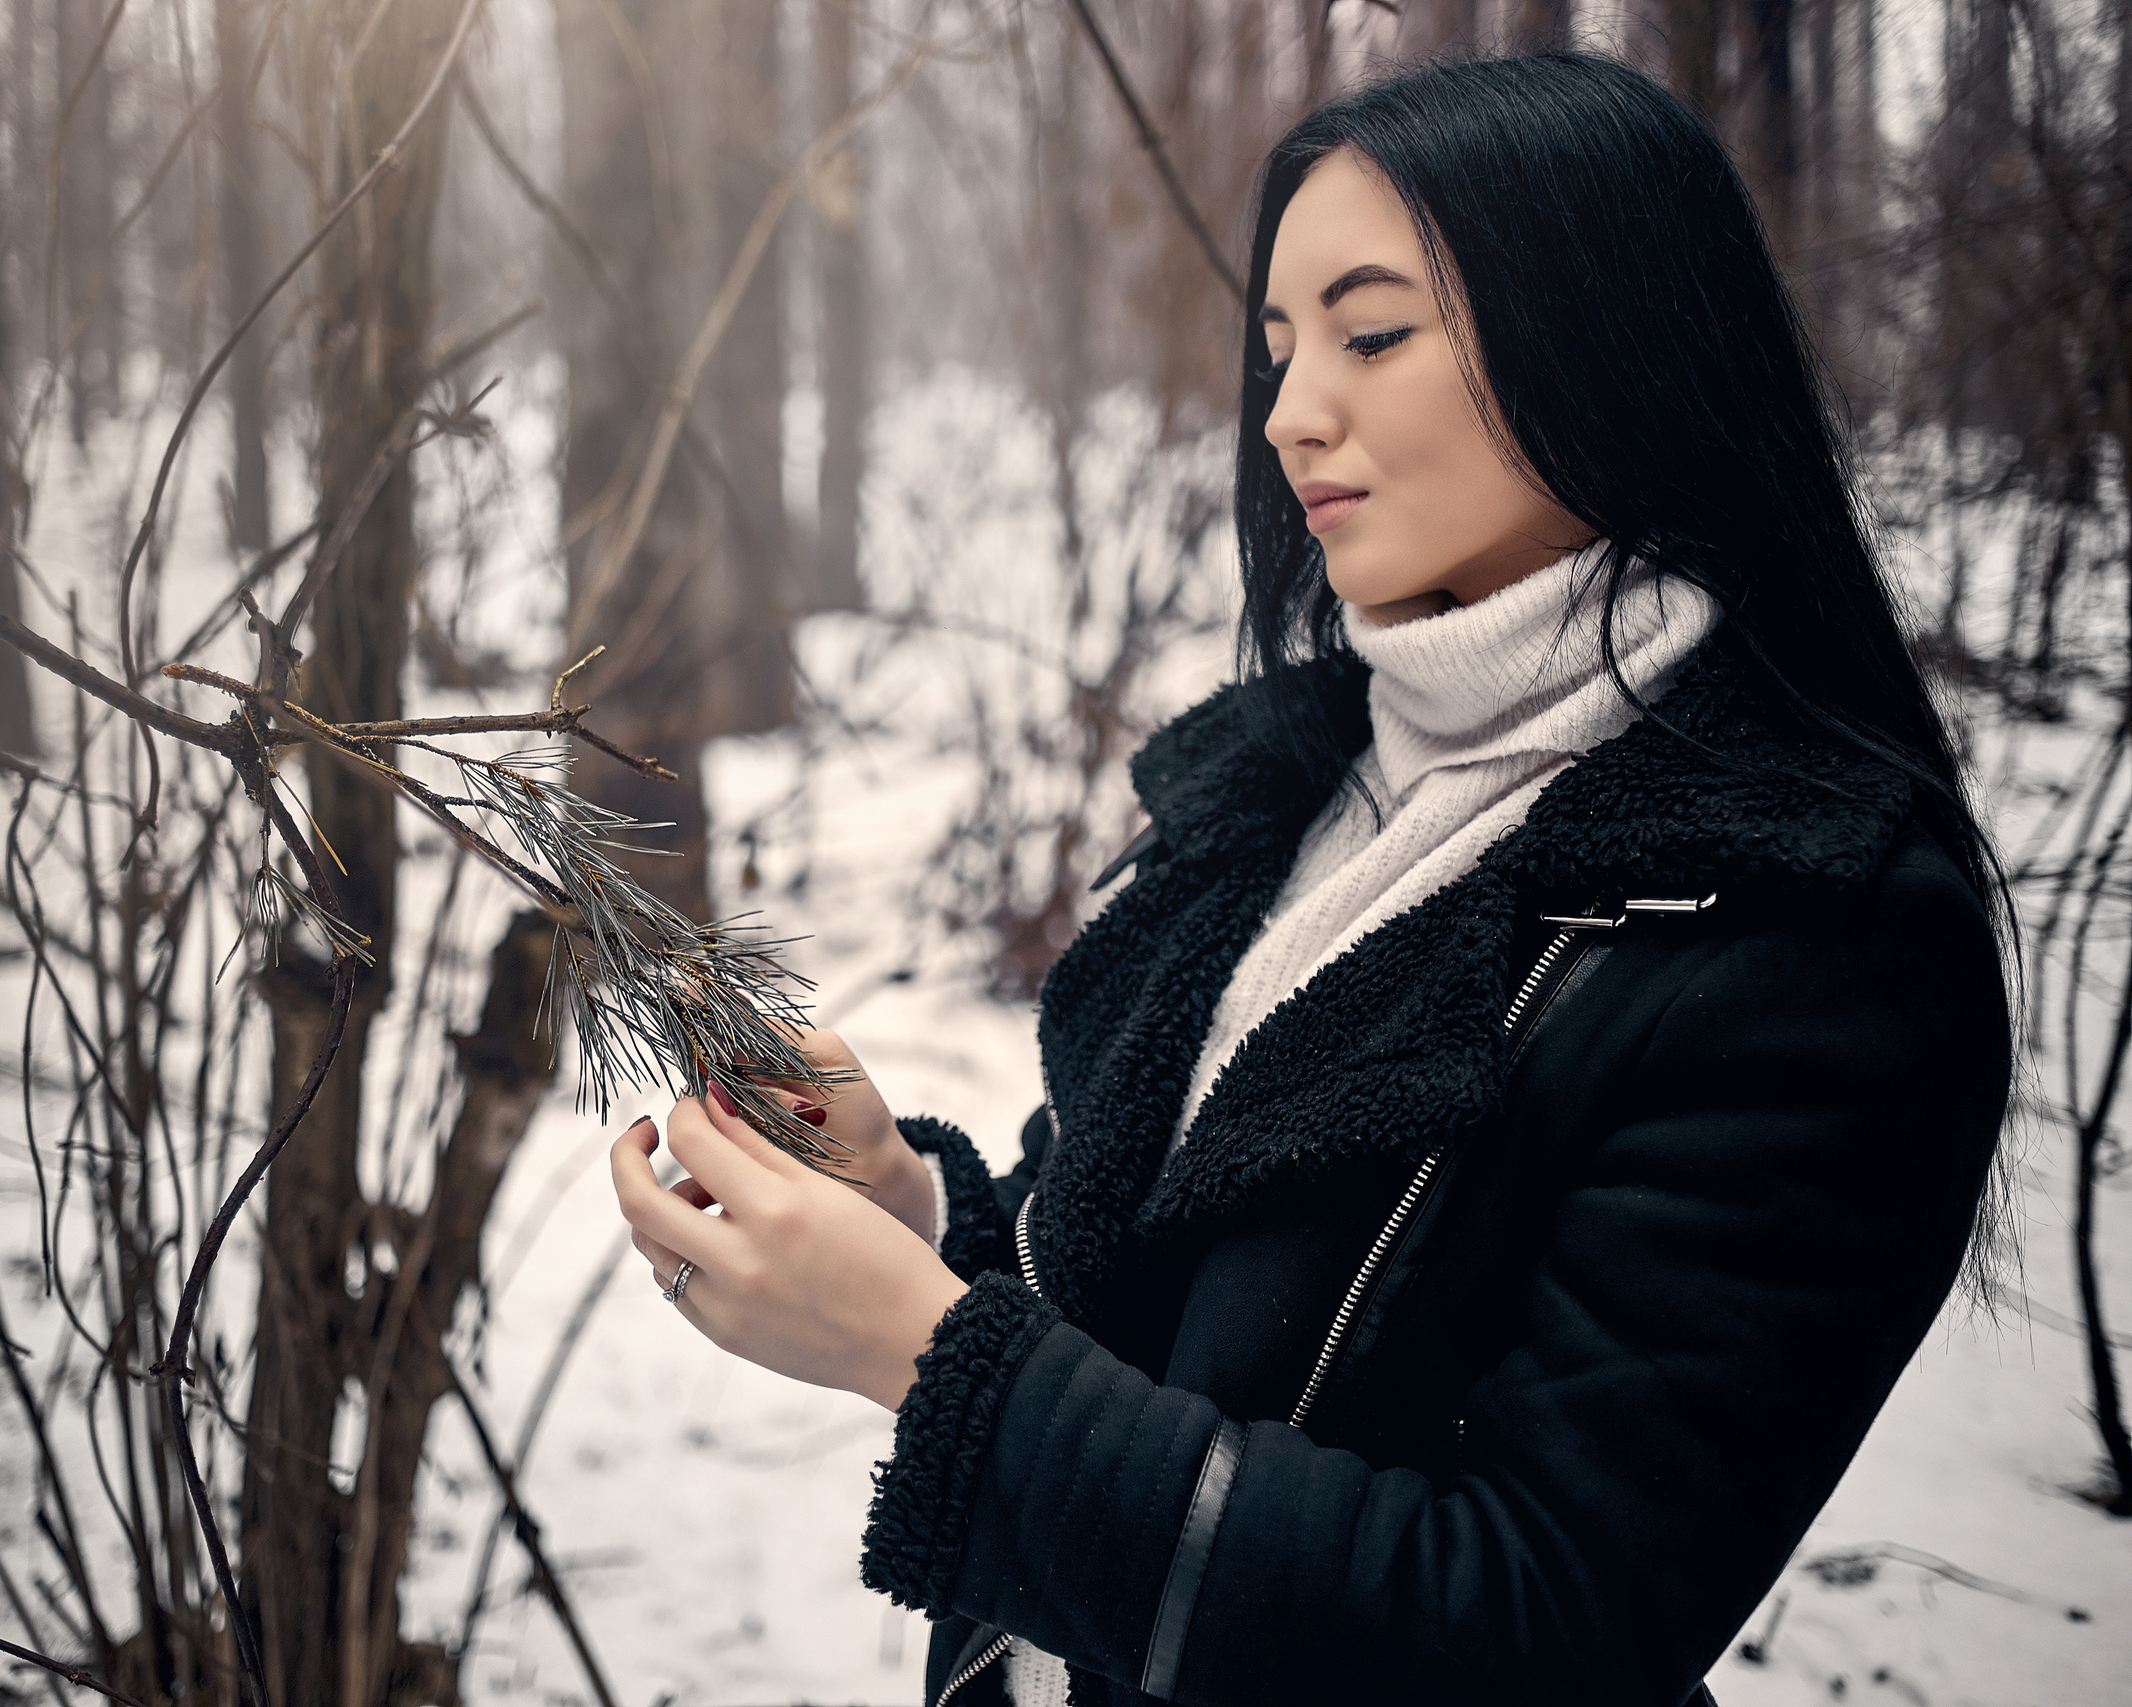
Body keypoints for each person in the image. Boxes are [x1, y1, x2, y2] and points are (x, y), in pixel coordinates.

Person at [610, 50, 2012, 1707]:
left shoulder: (1808, 929)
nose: (1288, 413)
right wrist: (919, 1226)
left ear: (1608, 333)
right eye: (1277, 349)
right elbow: (1169, 1310)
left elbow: (1533, 1625)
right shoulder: (1284, 781)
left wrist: (925, 1355)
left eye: (1370, 332)